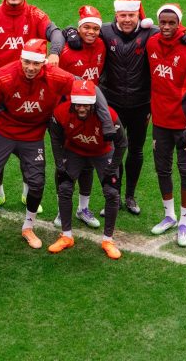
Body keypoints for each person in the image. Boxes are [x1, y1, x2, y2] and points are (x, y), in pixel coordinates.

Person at [0, 39, 114, 253]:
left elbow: (88, 86)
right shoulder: (4, 76)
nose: (30, 68)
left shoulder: (56, 76)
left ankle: (28, 227)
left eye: (36, 64)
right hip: (4, 131)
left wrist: (107, 122)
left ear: (43, 63)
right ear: (20, 59)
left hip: (34, 134)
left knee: (37, 183)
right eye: (27, 62)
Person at [70, 0, 186, 216]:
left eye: (131, 15)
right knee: (114, 150)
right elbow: (85, 31)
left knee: (136, 150)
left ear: (138, 15)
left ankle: (130, 196)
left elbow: (176, 33)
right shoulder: (106, 31)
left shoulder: (152, 32)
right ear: (116, 15)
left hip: (142, 104)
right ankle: (114, 195)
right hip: (113, 103)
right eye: (123, 15)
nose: (127, 20)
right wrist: (70, 32)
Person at [0, 0, 64, 214]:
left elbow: (55, 32)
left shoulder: (35, 15)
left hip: (32, 92)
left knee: (30, 146)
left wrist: (54, 51)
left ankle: (27, 193)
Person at [147, 3, 186, 247]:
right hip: (160, 122)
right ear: (158, 22)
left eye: (173, 23)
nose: (167, 27)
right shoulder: (151, 43)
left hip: (182, 126)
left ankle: (184, 221)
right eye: (164, 22)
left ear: (179, 23)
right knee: (162, 169)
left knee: (185, 172)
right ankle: (169, 215)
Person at [48, 80, 127, 259]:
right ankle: (66, 236)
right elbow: (55, 138)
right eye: (78, 104)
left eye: (86, 104)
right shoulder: (61, 113)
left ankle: (108, 240)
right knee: (65, 187)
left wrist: (112, 168)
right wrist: (60, 164)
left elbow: (122, 143)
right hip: (75, 150)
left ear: (93, 103)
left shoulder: (110, 116)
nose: (81, 109)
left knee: (111, 192)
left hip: (102, 152)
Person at [52, 5, 107, 228]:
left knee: (88, 163)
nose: (91, 32)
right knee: (63, 164)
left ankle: (83, 208)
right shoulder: (65, 50)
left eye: (95, 28)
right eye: (86, 28)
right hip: (68, 113)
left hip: (91, 113)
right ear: (79, 28)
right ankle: (61, 208)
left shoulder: (103, 45)